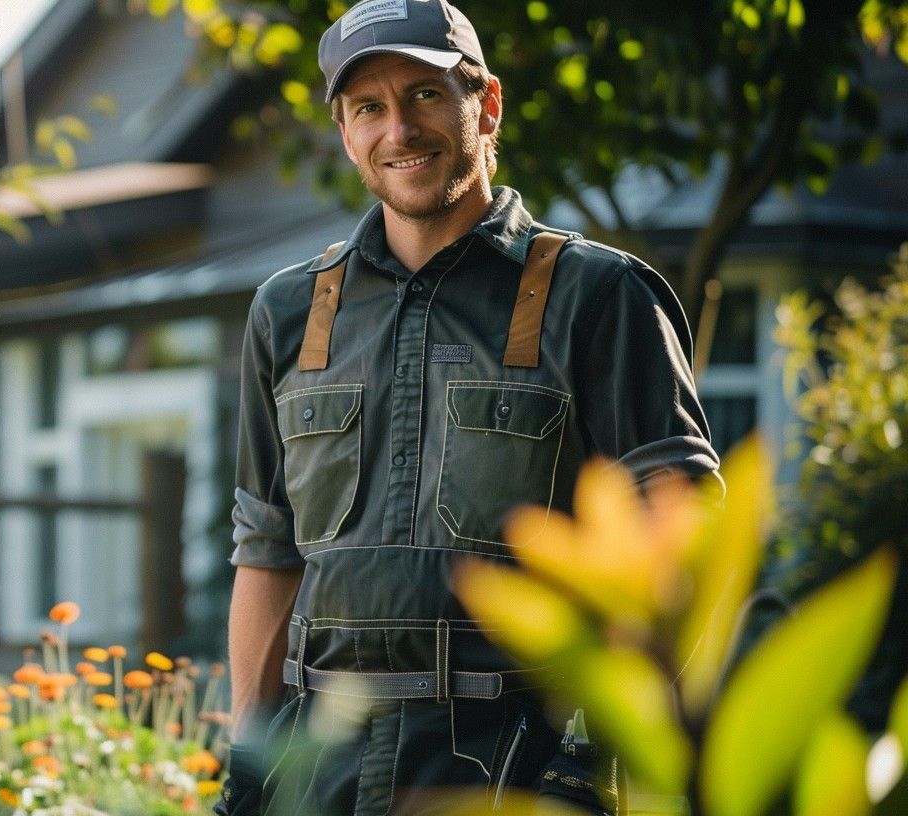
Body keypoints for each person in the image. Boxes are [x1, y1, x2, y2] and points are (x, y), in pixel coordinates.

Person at [219, 1, 722, 814]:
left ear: (485, 104)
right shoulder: (287, 312)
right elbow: (267, 547)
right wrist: (249, 760)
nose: (398, 131)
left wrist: (596, 758)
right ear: (345, 133)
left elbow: (677, 535)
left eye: (423, 95)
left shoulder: (601, 297)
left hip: (519, 766)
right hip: (319, 772)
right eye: (368, 109)